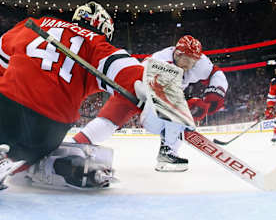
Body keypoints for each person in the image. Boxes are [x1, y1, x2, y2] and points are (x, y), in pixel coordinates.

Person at [0, 1, 145, 201]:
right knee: (30, 152)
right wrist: (151, 90)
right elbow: (132, 73)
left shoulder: (37, 23)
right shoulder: (99, 45)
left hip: (6, 102)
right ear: (105, 30)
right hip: (51, 127)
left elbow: (0, 52)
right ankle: (20, 162)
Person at [73, 35, 228, 172]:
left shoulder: (198, 62)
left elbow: (215, 73)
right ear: (178, 54)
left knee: (177, 114)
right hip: (141, 92)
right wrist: (188, 106)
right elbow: (150, 91)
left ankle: (169, 152)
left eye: (194, 61)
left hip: (165, 97)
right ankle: (76, 144)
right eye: (188, 61)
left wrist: (215, 93)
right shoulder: (158, 62)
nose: (191, 66)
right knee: (109, 119)